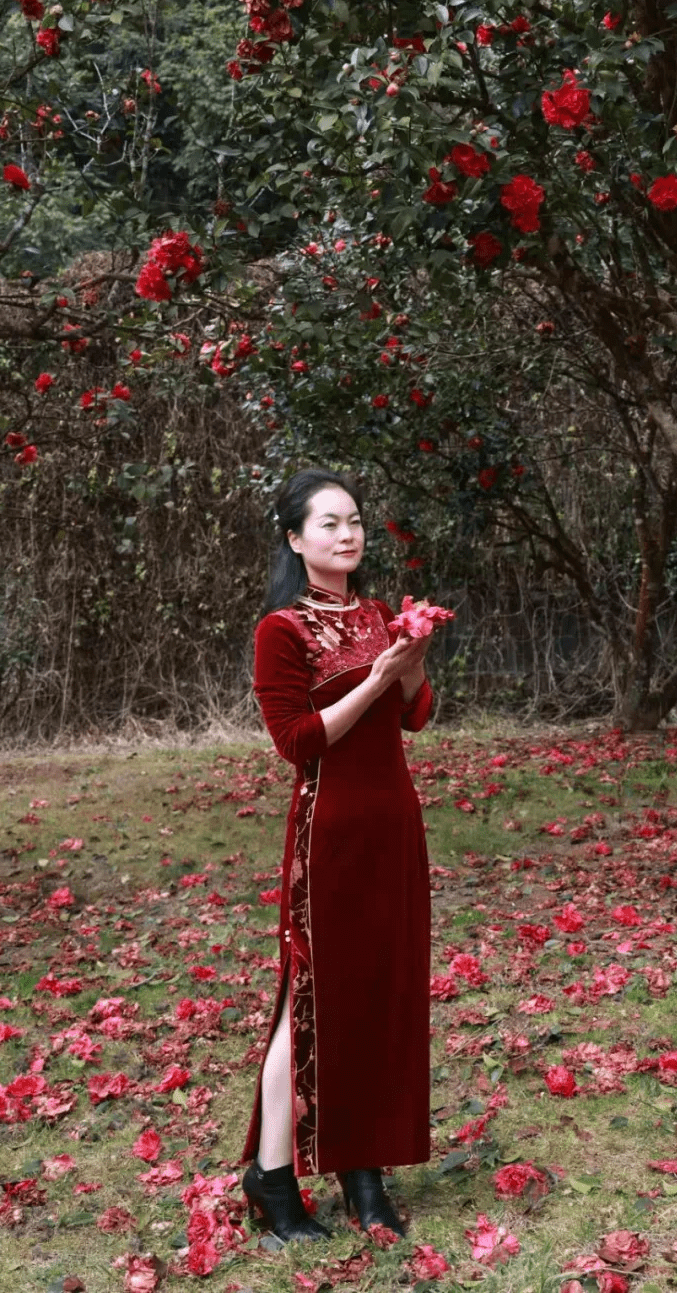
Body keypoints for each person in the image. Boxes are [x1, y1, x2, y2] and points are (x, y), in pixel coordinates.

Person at [241, 468, 439, 1242]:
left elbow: (415, 716)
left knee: (383, 993)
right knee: (312, 999)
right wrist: (376, 679)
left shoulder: (380, 614)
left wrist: (411, 663)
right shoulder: (280, 630)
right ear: (295, 539)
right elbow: (296, 741)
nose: (347, 534)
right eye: (329, 523)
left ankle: (365, 1170)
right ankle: (274, 1179)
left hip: (395, 822)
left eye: (354, 521)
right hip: (330, 833)